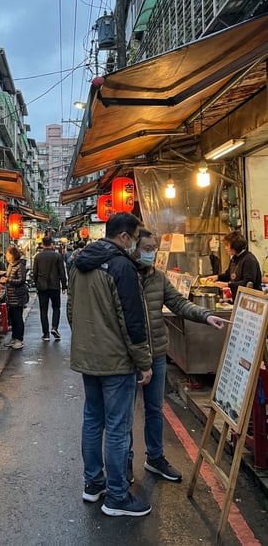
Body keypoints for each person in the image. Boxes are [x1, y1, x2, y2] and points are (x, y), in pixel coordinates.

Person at [67, 212, 153, 518]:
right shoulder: (121, 266)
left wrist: (87, 344)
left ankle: (93, 484)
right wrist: (144, 362)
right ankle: (116, 496)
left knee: (92, 420)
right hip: (116, 362)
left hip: (88, 358)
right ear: (125, 237)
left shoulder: (79, 264)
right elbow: (132, 321)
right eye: (136, 238)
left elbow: (71, 312)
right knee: (118, 428)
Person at [130, 229, 225, 483]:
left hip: (157, 353)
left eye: (154, 249)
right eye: (147, 248)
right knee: (124, 414)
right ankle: (124, 463)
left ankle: (156, 458)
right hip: (128, 357)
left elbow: (179, 303)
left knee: (154, 409)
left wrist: (205, 315)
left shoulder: (158, 278)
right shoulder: (122, 276)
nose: (152, 253)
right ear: (133, 248)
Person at [205, 231, 262, 299]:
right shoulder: (234, 258)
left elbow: (247, 283)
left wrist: (227, 285)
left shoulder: (249, 260)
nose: (225, 248)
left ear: (235, 246)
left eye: (227, 245)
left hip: (251, 300)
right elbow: (228, 275)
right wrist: (217, 277)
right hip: (238, 298)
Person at [32, 235, 67, 341]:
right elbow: (62, 272)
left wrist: (36, 283)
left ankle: (46, 333)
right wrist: (64, 285)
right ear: (52, 244)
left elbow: (35, 273)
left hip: (42, 286)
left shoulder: (38, 257)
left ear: (42, 244)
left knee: (43, 310)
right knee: (56, 308)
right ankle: (54, 327)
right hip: (55, 285)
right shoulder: (57, 256)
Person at [0, 246, 28, 349]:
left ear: (13, 255)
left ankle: (19, 339)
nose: (6, 257)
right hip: (11, 296)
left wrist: (8, 281)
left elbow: (21, 280)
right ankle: (14, 338)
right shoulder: (11, 265)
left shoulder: (20, 266)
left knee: (18, 318)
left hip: (17, 297)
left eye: (8, 254)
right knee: (13, 319)